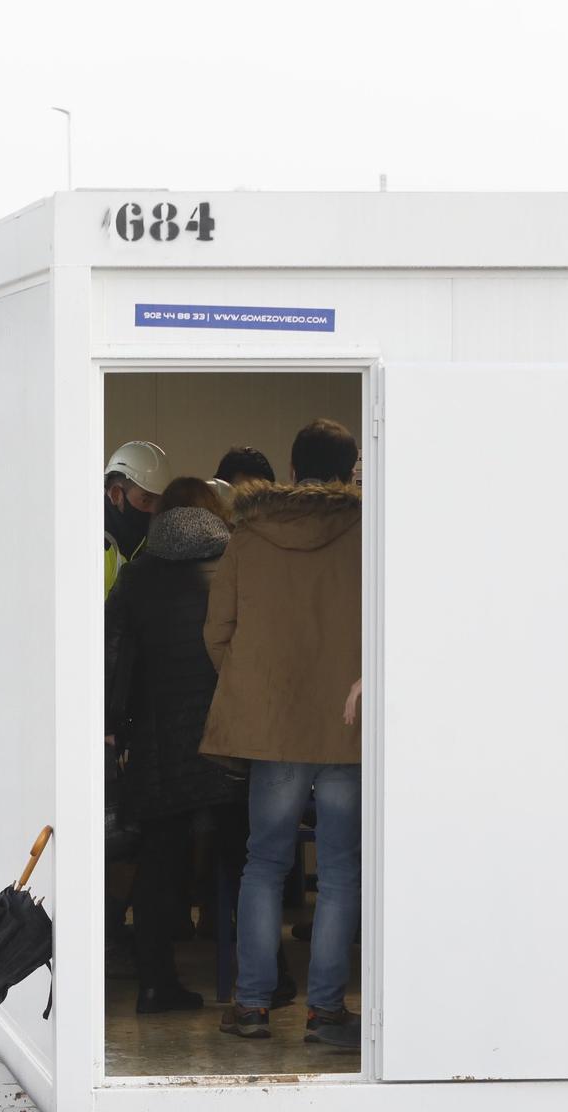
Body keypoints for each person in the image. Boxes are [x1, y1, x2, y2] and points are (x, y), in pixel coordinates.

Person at [202, 418, 363, 1047]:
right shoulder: (369, 533)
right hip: (347, 730)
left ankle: (251, 1007)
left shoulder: (248, 534)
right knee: (342, 871)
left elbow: (218, 632)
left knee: (264, 864)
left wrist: (254, 691)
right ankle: (326, 1014)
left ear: (291, 473)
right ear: (352, 470)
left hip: (274, 731)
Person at [106, 478, 248, 1013]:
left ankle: (154, 983)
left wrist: (114, 722)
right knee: (245, 857)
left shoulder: (137, 576)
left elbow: (112, 656)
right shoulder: (238, 567)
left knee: (158, 862)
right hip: (231, 736)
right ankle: (259, 981)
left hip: (160, 741)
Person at [102, 439, 170, 596]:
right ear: (116, 495)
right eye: (146, 500)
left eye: (159, 502)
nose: (154, 510)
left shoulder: (145, 543)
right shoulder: (93, 547)